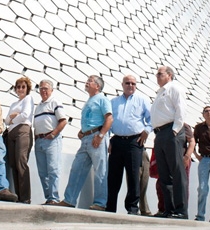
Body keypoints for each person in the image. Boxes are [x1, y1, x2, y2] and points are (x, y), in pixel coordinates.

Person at [57, 75, 113, 211]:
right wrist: (82, 131)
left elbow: (109, 119)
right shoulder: (89, 101)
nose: (86, 82)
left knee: (100, 170)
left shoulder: (102, 99)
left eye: (90, 81)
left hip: (96, 137)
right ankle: (69, 199)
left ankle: (100, 203)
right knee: (77, 168)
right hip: (86, 138)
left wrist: (100, 136)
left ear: (97, 86)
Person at [107, 75, 152, 215]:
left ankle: (132, 208)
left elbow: (151, 119)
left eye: (133, 83)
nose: (130, 85)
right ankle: (110, 208)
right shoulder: (113, 102)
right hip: (117, 141)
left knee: (133, 176)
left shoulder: (142, 100)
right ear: (122, 84)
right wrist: (108, 139)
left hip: (134, 142)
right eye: (127, 83)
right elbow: (108, 121)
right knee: (113, 176)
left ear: (136, 86)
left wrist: (146, 131)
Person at [150, 65, 188, 219]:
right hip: (160, 134)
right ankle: (169, 209)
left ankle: (181, 210)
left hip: (171, 132)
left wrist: (175, 130)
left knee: (177, 172)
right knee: (164, 174)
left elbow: (181, 109)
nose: (157, 76)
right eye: (157, 74)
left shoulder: (174, 88)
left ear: (169, 75)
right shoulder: (160, 93)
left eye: (160, 74)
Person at [33, 79, 67, 205]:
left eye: (46, 88)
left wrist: (53, 134)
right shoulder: (38, 107)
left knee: (53, 169)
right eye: (41, 88)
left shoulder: (54, 102)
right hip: (39, 140)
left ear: (51, 90)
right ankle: (49, 198)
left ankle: (54, 197)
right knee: (43, 172)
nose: (43, 91)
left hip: (51, 140)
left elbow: (63, 120)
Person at [152, 123, 195, 217]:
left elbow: (192, 141)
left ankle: (181, 210)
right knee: (164, 183)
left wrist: (187, 157)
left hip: (182, 159)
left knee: (181, 184)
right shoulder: (164, 127)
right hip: (168, 158)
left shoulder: (184, 126)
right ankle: (166, 209)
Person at [4, 76, 35, 203]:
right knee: (13, 164)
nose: (20, 89)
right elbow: (6, 121)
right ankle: (19, 195)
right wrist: (13, 117)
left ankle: (26, 197)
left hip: (23, 131)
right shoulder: (13, 104)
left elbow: (25, 116)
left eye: (23, 87)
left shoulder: (28, 99)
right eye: (18, 87)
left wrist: (13, 118)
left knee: (21, 162)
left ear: (27, 89)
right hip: (11, 133)